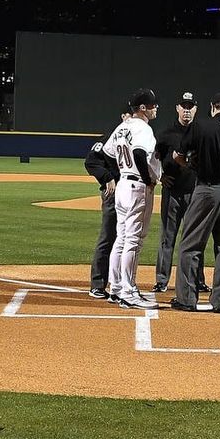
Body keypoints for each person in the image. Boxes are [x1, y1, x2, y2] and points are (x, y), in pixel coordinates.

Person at [169, 93, 220, 313]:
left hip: (206, 190)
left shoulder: (200, 127)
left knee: (191, 246)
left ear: (213, 107)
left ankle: (187, 299)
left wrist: (190, 165)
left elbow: (178, 155)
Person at [105, 89, 162, 309]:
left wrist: (120, 173)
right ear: (142, 108)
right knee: (133, 240)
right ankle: (128, 290)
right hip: (137, 185)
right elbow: (139, 153)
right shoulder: (143, 128)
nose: (156, 108)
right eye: (153, 105)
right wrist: (147, 178)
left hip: (122, 185)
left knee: (121, 238)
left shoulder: (122, 127)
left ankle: (116, 288)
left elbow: (108, 154)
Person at [152, 91, 199, 292]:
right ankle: (162, 280)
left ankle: (197, 279)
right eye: (183, 106)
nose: (187, 110)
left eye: (190, 107)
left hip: (195, 192)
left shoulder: (200, 133)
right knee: (167, 237)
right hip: (172, 192)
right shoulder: (165, 134)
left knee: (195, 239)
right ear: (177, 108)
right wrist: (159, 176)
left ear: (195, 109)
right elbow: (153, 158)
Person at [84, 108, 129, 299]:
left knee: (127, 238)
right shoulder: (109, 138)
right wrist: (107, 177)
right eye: (129, 116)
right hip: (113, 193)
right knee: (109, 236)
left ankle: (120, 284)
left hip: (130, 194)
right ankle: (98, 283)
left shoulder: (136, 138)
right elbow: (91, 161)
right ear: (123, 117)